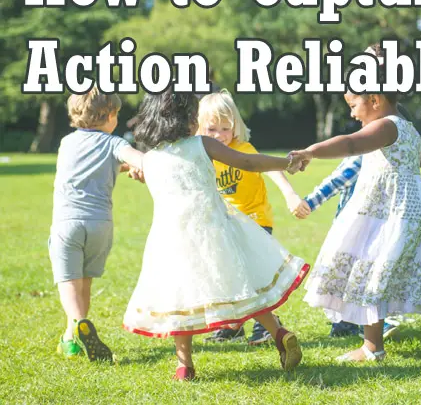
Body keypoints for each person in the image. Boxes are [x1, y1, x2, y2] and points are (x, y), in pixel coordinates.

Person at [289, 44, 421, 362]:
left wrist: (311, 151)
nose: (352, 113)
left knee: (374, 272)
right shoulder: (409, 129)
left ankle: (373, 348)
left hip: (390, 217)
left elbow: (350, 143)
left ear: (374, 99)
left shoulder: (385, 127)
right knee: (419, 270)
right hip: (410, 215)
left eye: (354, 104)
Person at [122, 89, 309, 380]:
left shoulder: (150, 160)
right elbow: (247, 163)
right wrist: (286, 162)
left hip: (170, 240)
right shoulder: (202, 144)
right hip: (215, 229)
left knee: (179, 300)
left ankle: (184, 365)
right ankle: (278, 332)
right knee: (244, 283)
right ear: (188, 119)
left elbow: (152, 172)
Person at [294, 157, 421, 339]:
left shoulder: (397, 160)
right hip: (352, 231)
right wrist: (308, 203)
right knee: (345, 276)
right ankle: (347, 323)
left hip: (384, 233)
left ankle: (375, 324)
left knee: (375, 278)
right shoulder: (362, 156)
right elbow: (336, 181)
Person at [196, 90, 304, 345]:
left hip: (256, 221)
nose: (219, 136)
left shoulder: (243, 149)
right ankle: (233, 326)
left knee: (252, 275)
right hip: (225, 224)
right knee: (228, 273)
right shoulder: (203, 155)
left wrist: (290, 194)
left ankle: (268, 326)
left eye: (225, 128)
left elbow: (271, 170)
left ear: (236, 126)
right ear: (199, 128)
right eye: (211, 129)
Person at [49, 87, 144, 362]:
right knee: (85, 281)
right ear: (111, 115)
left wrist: (125, 166)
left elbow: (86, 166)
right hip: (100, 225)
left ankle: (78, 321)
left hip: (68, 223)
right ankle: (71, 337)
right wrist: (137, 166)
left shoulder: (67, 143)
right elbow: (139, 160)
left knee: (68, 281)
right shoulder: (114, 144)